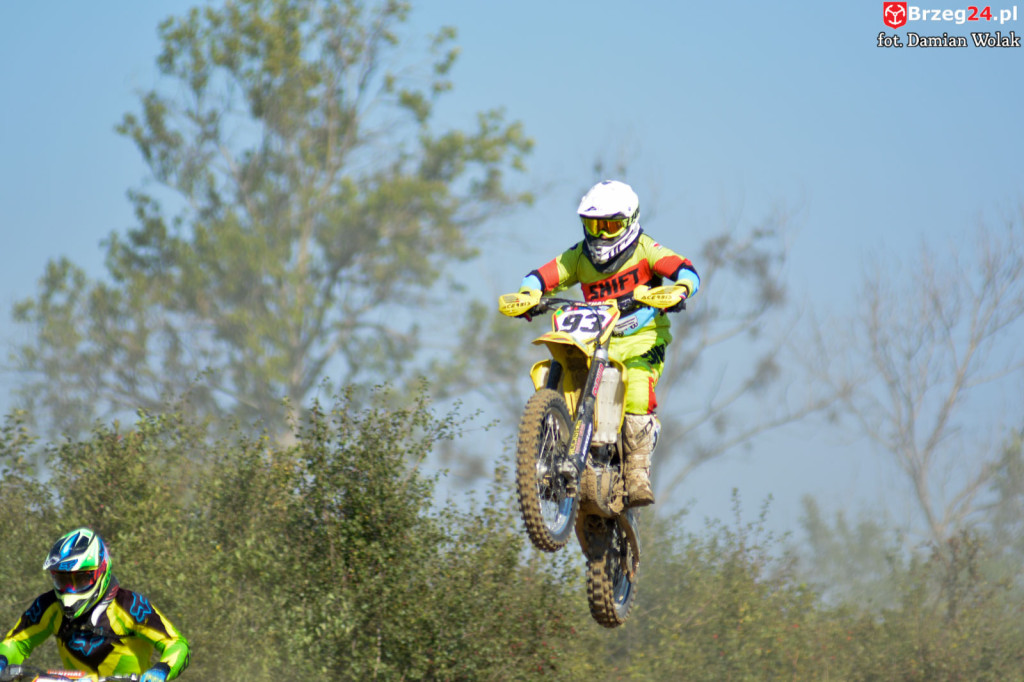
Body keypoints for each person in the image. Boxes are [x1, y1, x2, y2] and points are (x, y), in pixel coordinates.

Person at [511, 179, 700, 507]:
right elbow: (540, 276)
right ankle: (549, 456)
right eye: (592, 225)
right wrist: (529, 294)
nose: (599, 234)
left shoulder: (646, 249)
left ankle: (637, 472)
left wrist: (680, 290)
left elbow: (686, 270)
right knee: (565, 372)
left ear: (629, 222)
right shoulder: (579, 256)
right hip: (595, 338)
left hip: (642, 338)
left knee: (637, 387)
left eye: (609, 226)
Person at [0, 528, 190, 682]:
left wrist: (161, 670)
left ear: (101, 571)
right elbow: (17, 642)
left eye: (81, 579)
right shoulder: (48, 605)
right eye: (63, 580)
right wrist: (2, 661)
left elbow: (176, 643)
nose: (71, 590)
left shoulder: (130, 605)